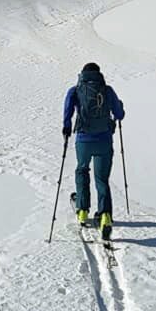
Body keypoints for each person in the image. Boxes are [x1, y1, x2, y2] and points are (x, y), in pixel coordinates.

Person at [63, 62, 124, 238]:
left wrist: (67, 128)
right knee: (102, 178)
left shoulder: (75, 90)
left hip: (83, 140)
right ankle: (105, 215)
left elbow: (67, 111)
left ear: (82, 74)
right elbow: (119, 115)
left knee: (82, 170)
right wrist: (119, 106)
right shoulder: (107, 90)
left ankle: (82, 210)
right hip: (104, 140)